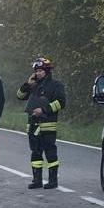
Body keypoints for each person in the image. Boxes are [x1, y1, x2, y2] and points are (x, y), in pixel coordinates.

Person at [15, 56, 67, 189]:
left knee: (50, 153)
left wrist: (43, 109)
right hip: (33, 125)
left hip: (48, 125)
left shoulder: (56, 85)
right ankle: (37, 180)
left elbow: (61, 103)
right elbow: (19, 96)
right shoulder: (33, 86)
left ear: (47, 71)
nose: (38, 73)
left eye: (40, 71)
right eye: (36, 71)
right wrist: (28, 84)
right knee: (35, 153)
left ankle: (53, 181)